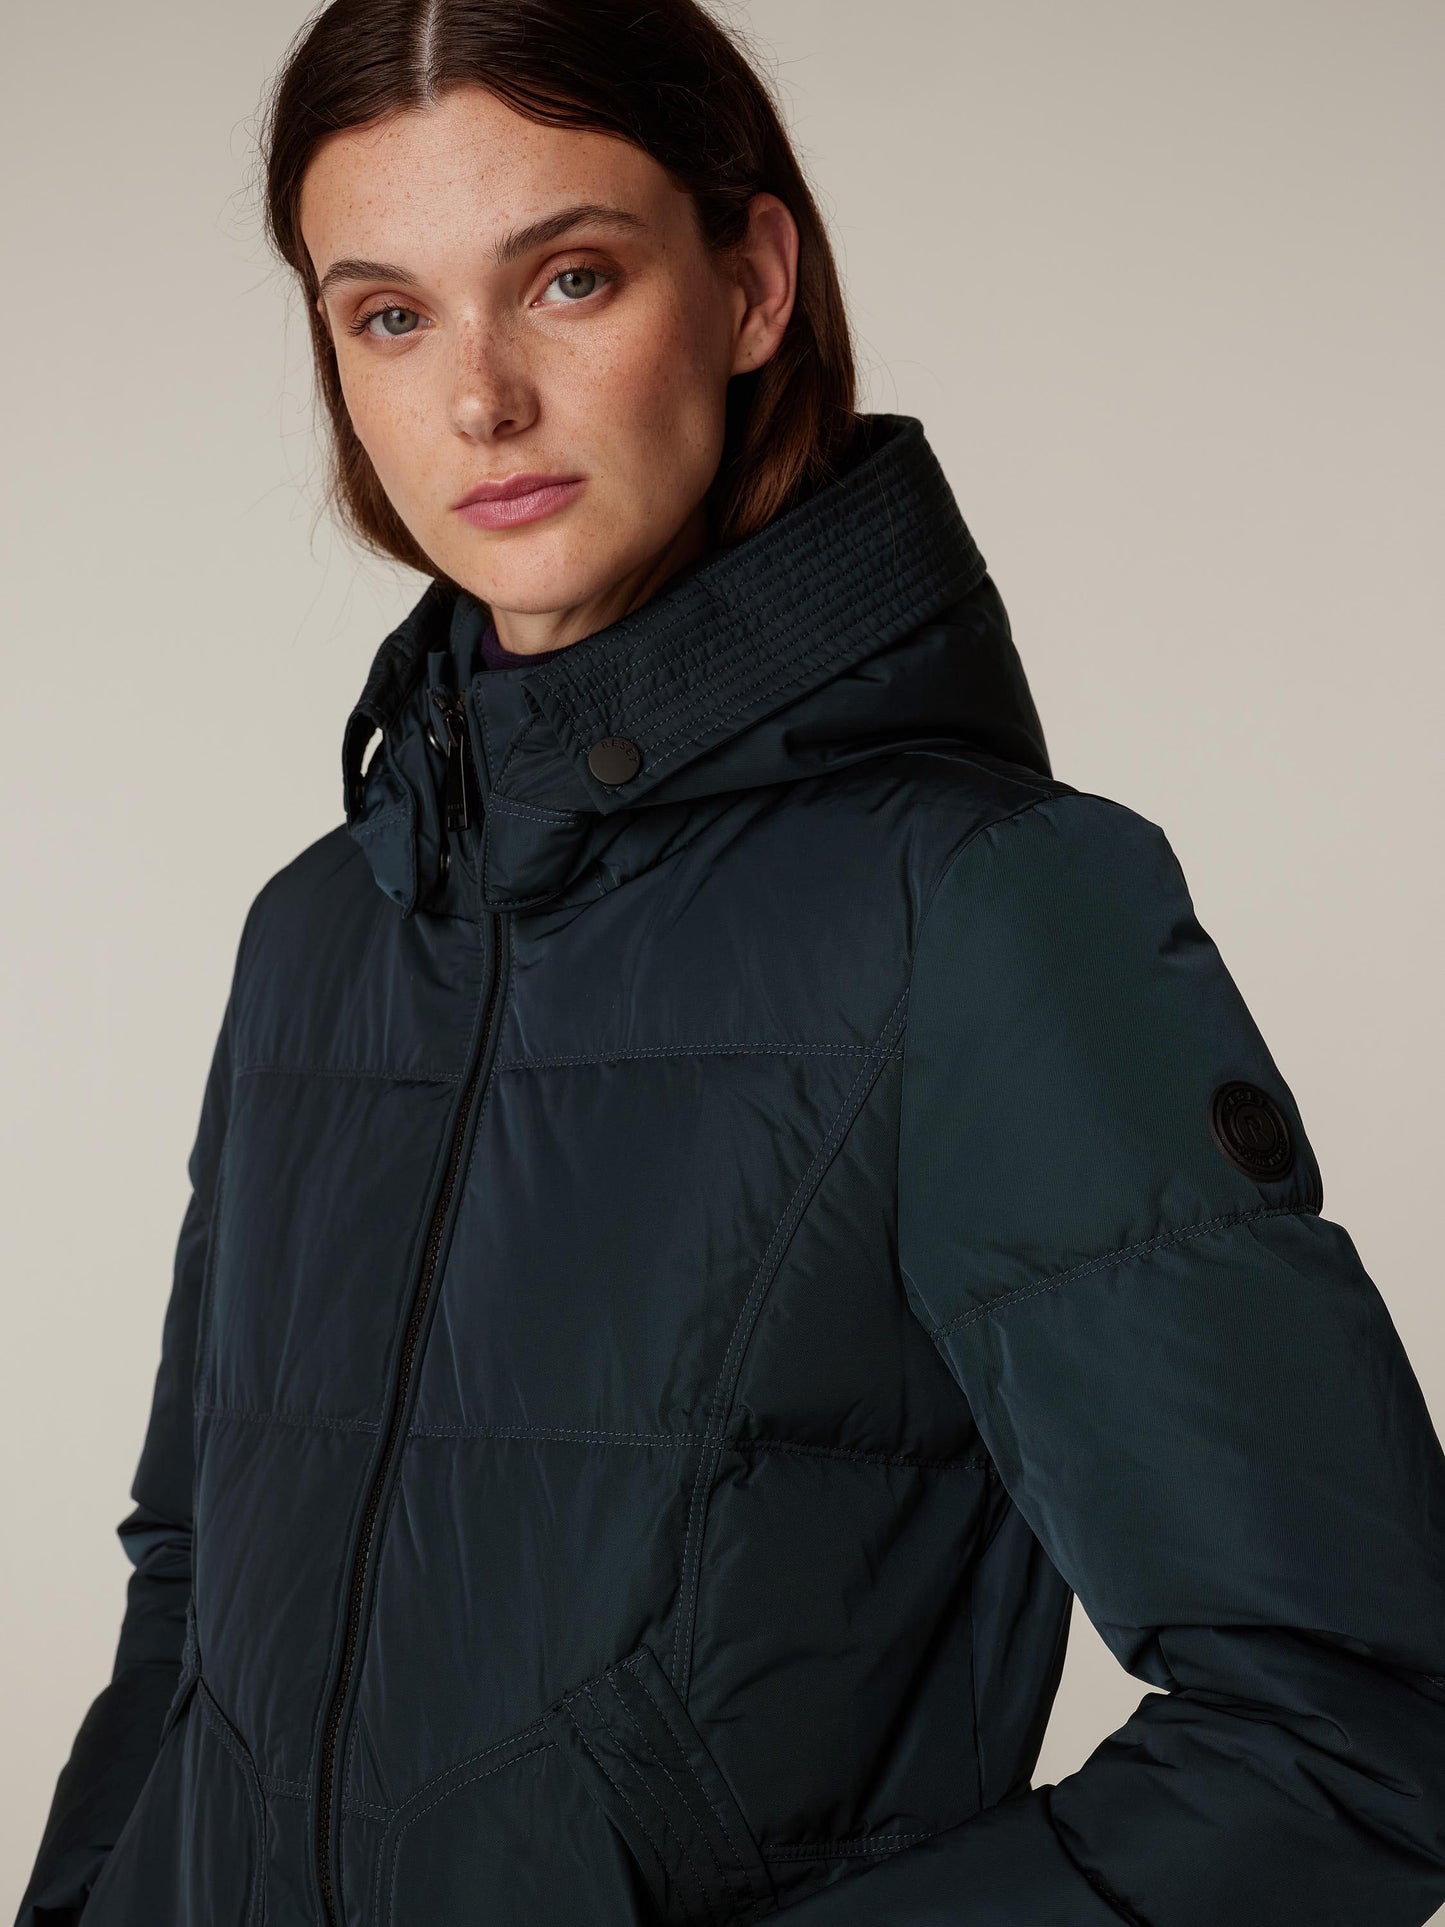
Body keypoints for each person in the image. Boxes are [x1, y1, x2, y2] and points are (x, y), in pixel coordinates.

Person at [17, 2, 1445, 1924]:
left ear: (752, 282)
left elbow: (1347, 1727)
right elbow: (193, 1595)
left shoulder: (980, 908)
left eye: (570, 278)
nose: (480, 400)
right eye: (390, 315)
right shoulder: (321, 933)